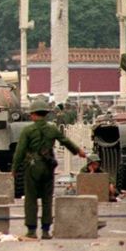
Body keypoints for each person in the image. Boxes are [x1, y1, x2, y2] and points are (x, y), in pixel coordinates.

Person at [12, 100, 86, 239]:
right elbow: (65, 141)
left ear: (33, 114)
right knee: (47, 199)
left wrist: (14, 169)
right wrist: (78, 151)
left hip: (32, 167)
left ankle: (31, 231)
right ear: (46, 114)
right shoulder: (52, 129)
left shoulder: (27, 130)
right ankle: (46, 231)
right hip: (48, 166)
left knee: (31, 199)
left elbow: (20, 151)